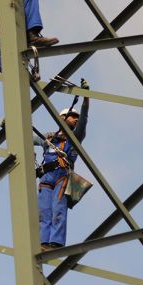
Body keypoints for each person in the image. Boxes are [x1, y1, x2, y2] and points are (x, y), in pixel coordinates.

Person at [33, 80, 90, 250]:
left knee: (58, 210)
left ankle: (55, 243)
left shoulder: (75, 137)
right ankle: (43, 243)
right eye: (73, 116)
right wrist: (9, 128)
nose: (75, 120)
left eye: (76, 117)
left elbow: (84, 119)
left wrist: (86, 97)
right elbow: (27, 138)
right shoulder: (49, 139)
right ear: (62, 118)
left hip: (62, 176)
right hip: (46, 177)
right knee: (44, 212)